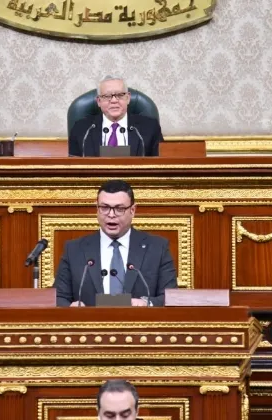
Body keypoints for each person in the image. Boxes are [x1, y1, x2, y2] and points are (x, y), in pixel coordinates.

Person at [53, 179, 177, 307]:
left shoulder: (157, 248)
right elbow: (58, 297)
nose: (111, 214)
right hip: (88, 320)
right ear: (97, 209)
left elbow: (170, 297)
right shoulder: (74, 249)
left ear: (133, 210)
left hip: (140, 320)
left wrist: (147, 303)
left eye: (119, 208)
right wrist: (71, 308)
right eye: (105, 208)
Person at [68, 76, 163, 157]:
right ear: (99, 101)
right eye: (107, 96)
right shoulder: (81, 129)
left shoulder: (150, 128)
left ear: (128, 98)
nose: (114, 100)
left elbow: (162, 165)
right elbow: (72, 167)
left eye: (120, 95)